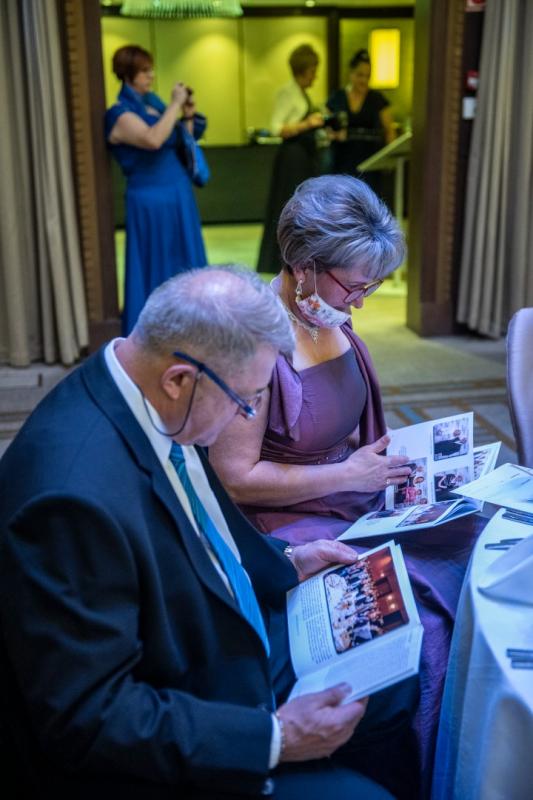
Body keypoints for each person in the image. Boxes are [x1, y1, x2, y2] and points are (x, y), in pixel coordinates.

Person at [0, 266, 419, 799]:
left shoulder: (144, 387)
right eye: (247, 401)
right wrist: (276, 739)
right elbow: (89, 716)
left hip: (218, 632)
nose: (247, 417)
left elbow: (202, 522)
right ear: (179, 380)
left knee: (397, 681)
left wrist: (289, 559)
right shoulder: (70, 503)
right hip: (181, 712)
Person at [208, 177, 483, 797]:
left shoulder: (324, 310)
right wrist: (347, 474)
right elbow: (234, 478)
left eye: (372, 287)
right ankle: (388, 775)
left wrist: (382, 463)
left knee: (465, 549)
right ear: (302, 265)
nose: (360, 303)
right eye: (355, 286)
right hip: (285, 519)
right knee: (419, 620)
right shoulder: (253, 338)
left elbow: (342, 420)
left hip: (352, 489)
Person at [105, 44, 207, 335]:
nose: (151, 75)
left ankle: (193, 325)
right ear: (127, 74)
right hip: (150, 199)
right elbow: (153, 139)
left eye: (150, 70)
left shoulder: (156, 105)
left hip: (178, 192)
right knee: (155, 263)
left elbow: (179, 144)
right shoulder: (119, 113)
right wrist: (175, 105)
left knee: (185, 261)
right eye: (144, 71)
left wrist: (187, 115)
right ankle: (154, 333)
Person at [256, 44, 325, 274]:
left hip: (304, 157)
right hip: (292, 158)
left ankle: (300, 256)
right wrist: (308, 123)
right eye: (313, 70)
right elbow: (277, 128)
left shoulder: (302, 93)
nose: (315, 76)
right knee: (289, 207)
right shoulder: (287, 92)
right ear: (303, 70)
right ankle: (281, 259)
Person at [327, 49, 396, 195]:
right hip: (343, 159)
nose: (364, 80)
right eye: (360, 75)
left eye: (367, 76)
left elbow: (389, 131)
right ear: (351, 73)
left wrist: (390, 159)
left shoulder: (377, 99)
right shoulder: (337, 97)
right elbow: (326, 128)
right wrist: (334, 135)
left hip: (371, 161)